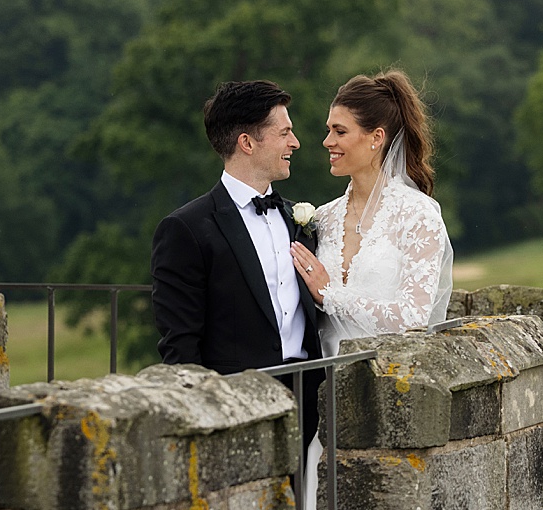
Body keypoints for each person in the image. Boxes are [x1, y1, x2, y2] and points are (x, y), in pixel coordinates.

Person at [149, 77, 321, 426]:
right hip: (236, 408)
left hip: (310, 402)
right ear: (247, 142)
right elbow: (180, 346)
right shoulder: (186, 229)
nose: (296, 143)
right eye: (284, 133)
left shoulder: (296, 218)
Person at [290, 70, 453, 349]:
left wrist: (329, 295)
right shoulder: (322, 218)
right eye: (328, 130)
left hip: (388, 379)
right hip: (322, 381)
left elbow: (413, 319)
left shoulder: (417, 215)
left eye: (339, 131)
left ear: (376, 137)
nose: (327, 141)